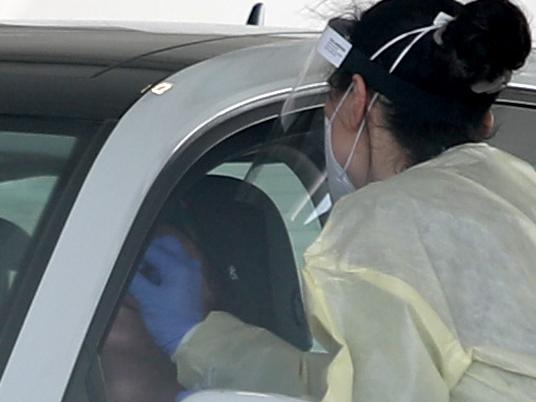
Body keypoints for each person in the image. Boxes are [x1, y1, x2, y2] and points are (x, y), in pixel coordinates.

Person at [130, 0, 536, 401]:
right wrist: (197, 339)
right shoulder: (516, 190)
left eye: (329, 98)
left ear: (356, 98)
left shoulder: (384, 225)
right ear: (483, 119)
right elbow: (354, 384)